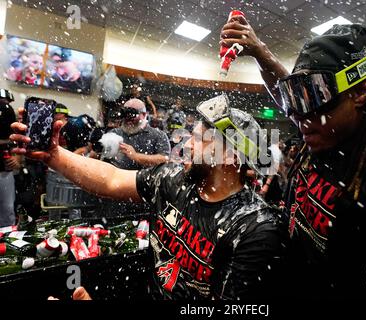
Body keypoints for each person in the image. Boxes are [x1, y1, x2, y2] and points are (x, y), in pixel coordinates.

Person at [221, 20, 366, 299]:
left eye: (312, 96)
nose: (297, 114)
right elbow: (300, 99)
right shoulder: (326, 130)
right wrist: (260, 52)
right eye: (296, 96)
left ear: (359, 92)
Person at [10, 94, 285, 300]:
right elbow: (111, 179)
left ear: (231, 155)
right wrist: (54, 156)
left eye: (201, 140)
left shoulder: (255, 228)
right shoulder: (173, 179)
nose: (187, 144)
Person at [110, 98, 170, 170]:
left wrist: (135, 156)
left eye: (132, 114)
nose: (128, 119)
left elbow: (164, 159)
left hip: (142, 179)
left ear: (144, 115)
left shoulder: (158, 135)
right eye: (125, 114)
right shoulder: (114, 133)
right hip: (115, 178)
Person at [0, 89, 21, 226]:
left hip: (4, 170)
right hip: (4, 171)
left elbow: (18, 141)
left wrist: (17, 158)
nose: (5, 105)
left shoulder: (8, 113)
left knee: (7, 211)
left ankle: (7, 242)